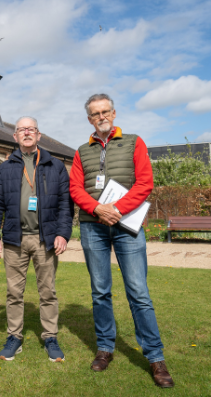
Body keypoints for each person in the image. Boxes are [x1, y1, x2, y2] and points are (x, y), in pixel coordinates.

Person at [69, 94, 174, 388]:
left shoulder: (133, 142)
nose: (101, 117)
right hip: (93, 227)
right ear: (89, 119)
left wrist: (116, 209)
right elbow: (75, 188)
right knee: (100, 291)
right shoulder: (81, 151)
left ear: (113, 114)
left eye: (105, 111)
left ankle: (155, 357)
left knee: (139, 292)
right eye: (95, 114)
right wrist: (96, 208)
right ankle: (105, 348)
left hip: (127, 226)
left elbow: (145, 183)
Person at [0, 116, 73, 362]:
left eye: (31, 129)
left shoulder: (55, 165)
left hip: (45, 240)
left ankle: (50, 337)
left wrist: (63, 234)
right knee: (14, 292)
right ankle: (14, 336)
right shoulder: (5, 167)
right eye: (21, 130)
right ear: (14, 136)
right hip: (15, 240)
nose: (26, 133)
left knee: (48, 292)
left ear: (39, 135)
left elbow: (65, 205)